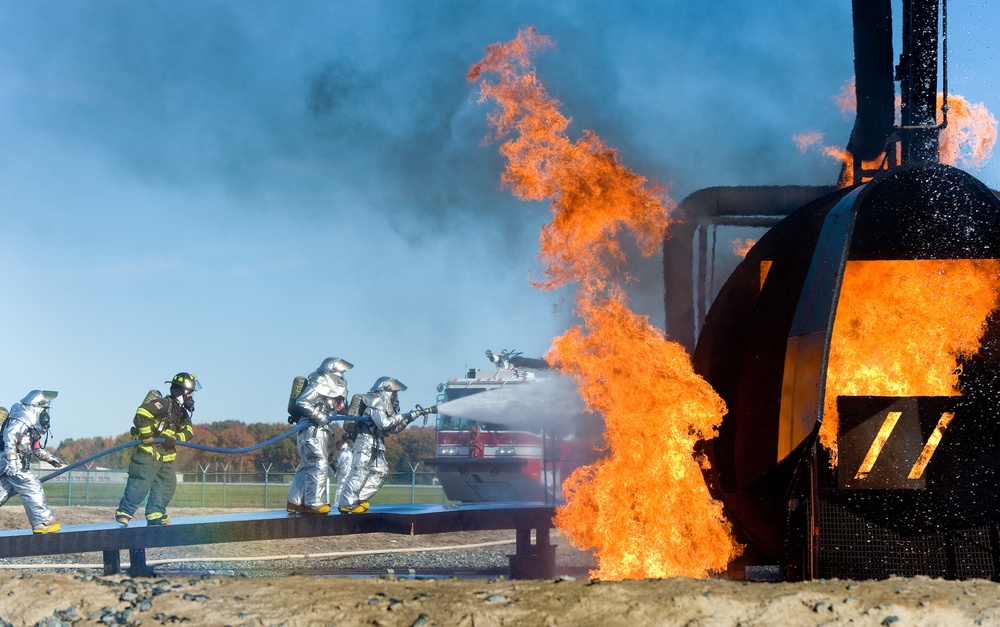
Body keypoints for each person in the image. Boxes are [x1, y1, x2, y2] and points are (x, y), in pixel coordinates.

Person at [115, 373, 199, 526]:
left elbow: (189, 432)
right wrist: (147, 435)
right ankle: (124, 514)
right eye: (189, 392)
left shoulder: (182, 413)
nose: (191, 396)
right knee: (140, 484)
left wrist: (176, 437)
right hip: (148, 454)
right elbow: (142, 414)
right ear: (181, 392)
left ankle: (155, 513)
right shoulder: (164, 404)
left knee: (167, 484)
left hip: (166, 458)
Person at [336, 376, 424, 514]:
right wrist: (404, 415)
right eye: (394, 392)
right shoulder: (374, 400)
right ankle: (346, 503)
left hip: (377, 442)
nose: (395, 396)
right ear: (385, 390)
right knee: (360, 470)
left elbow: (392, 429)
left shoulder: (385, 405)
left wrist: (409, 418)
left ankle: (357, 498)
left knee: (381, 472)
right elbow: (383, 423)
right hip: (364, 440)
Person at [286, 357, 352, 515]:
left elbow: (339, 409)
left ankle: (294, 501)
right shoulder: (319, 383)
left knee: (308, 465)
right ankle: (314, 503)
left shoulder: (332, 388)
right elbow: (302, 402)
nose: (342, 376)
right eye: (341, 372)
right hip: (312, 430)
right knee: (318, 464)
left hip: (319, 431)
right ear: (332, 371)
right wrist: (318, 415)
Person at [0, 390, 65, 533]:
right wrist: (11, 459)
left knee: (3, 491)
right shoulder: (21, 418)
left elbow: (33, 447)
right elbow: (9, 436)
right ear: (34, 406)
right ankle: (42, 522)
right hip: (13, 461)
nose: (45, 412)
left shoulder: (29, 424)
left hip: (10, 461)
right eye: (43, 408)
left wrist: (49, 457)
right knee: (32, 487)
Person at [331, 434, 353, 509]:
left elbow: (338, 465)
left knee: (339, 491)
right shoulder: (350, 451)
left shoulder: (343, 453)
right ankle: (348, 504)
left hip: (343, 474)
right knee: (349, 490)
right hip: (350, 473)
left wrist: (331, 462)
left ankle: (337, 505)